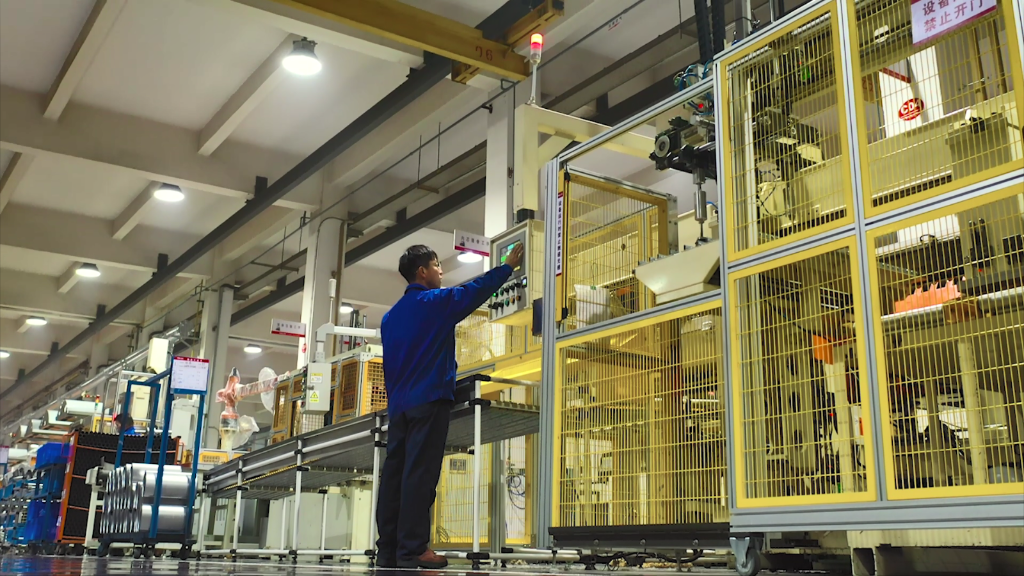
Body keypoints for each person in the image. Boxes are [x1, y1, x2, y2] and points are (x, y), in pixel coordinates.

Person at [375, 243, 524, 569]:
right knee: (420, 475)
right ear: (422, 272)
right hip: (428, 400)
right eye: (437, 265)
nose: (442, 271)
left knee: (395, 476)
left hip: (399, 407)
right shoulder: (433, 303)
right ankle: (413, 549)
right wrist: (507, 267)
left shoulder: (389, 318)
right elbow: (472, 292)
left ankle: (388, 550)